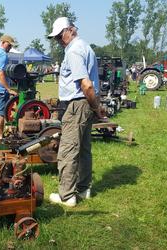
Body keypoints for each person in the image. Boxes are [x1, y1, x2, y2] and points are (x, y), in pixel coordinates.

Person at [47, 17, 104, 207]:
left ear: (70, 30)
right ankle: (83, 188)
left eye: (59, 36)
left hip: (77, 104)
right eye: (56, 38)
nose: (58, 40)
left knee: (68, 150)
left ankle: (67, 196)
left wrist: (96, 107)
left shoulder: (73, 51)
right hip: (84, 104)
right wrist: (95, 107)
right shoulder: (85, 47)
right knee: (84, 149)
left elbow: (86, 84)